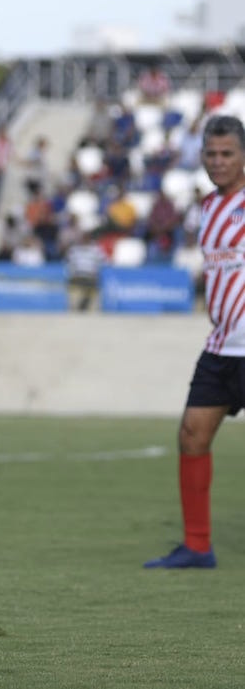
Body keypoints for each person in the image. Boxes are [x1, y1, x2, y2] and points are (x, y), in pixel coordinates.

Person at [143, 115, 245, 569]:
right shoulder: (208, 209)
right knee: (191, 435)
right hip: (222, 345)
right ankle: (198, 546)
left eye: (227, 153)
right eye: (211, 154)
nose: (218, 162)